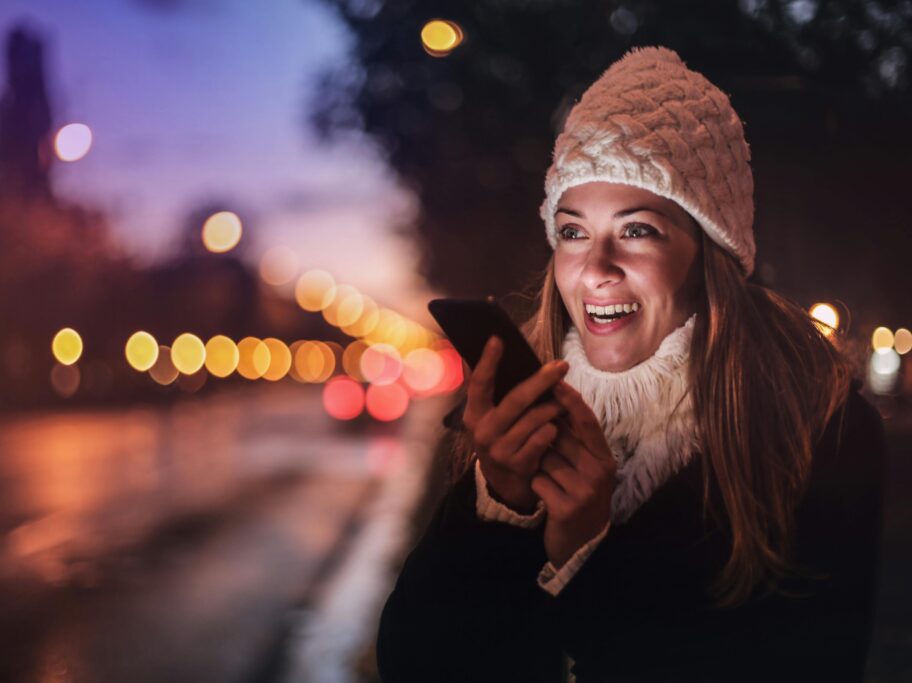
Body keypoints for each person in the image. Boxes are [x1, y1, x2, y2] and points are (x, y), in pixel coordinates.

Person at [376, 46, 885, 682]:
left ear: (709, 252)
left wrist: (587, 555)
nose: (595, 268)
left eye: (637, 229)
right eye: (572, 231)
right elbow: (415, 665)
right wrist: (499, 506)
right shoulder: (517, 418)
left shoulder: (822, 432)